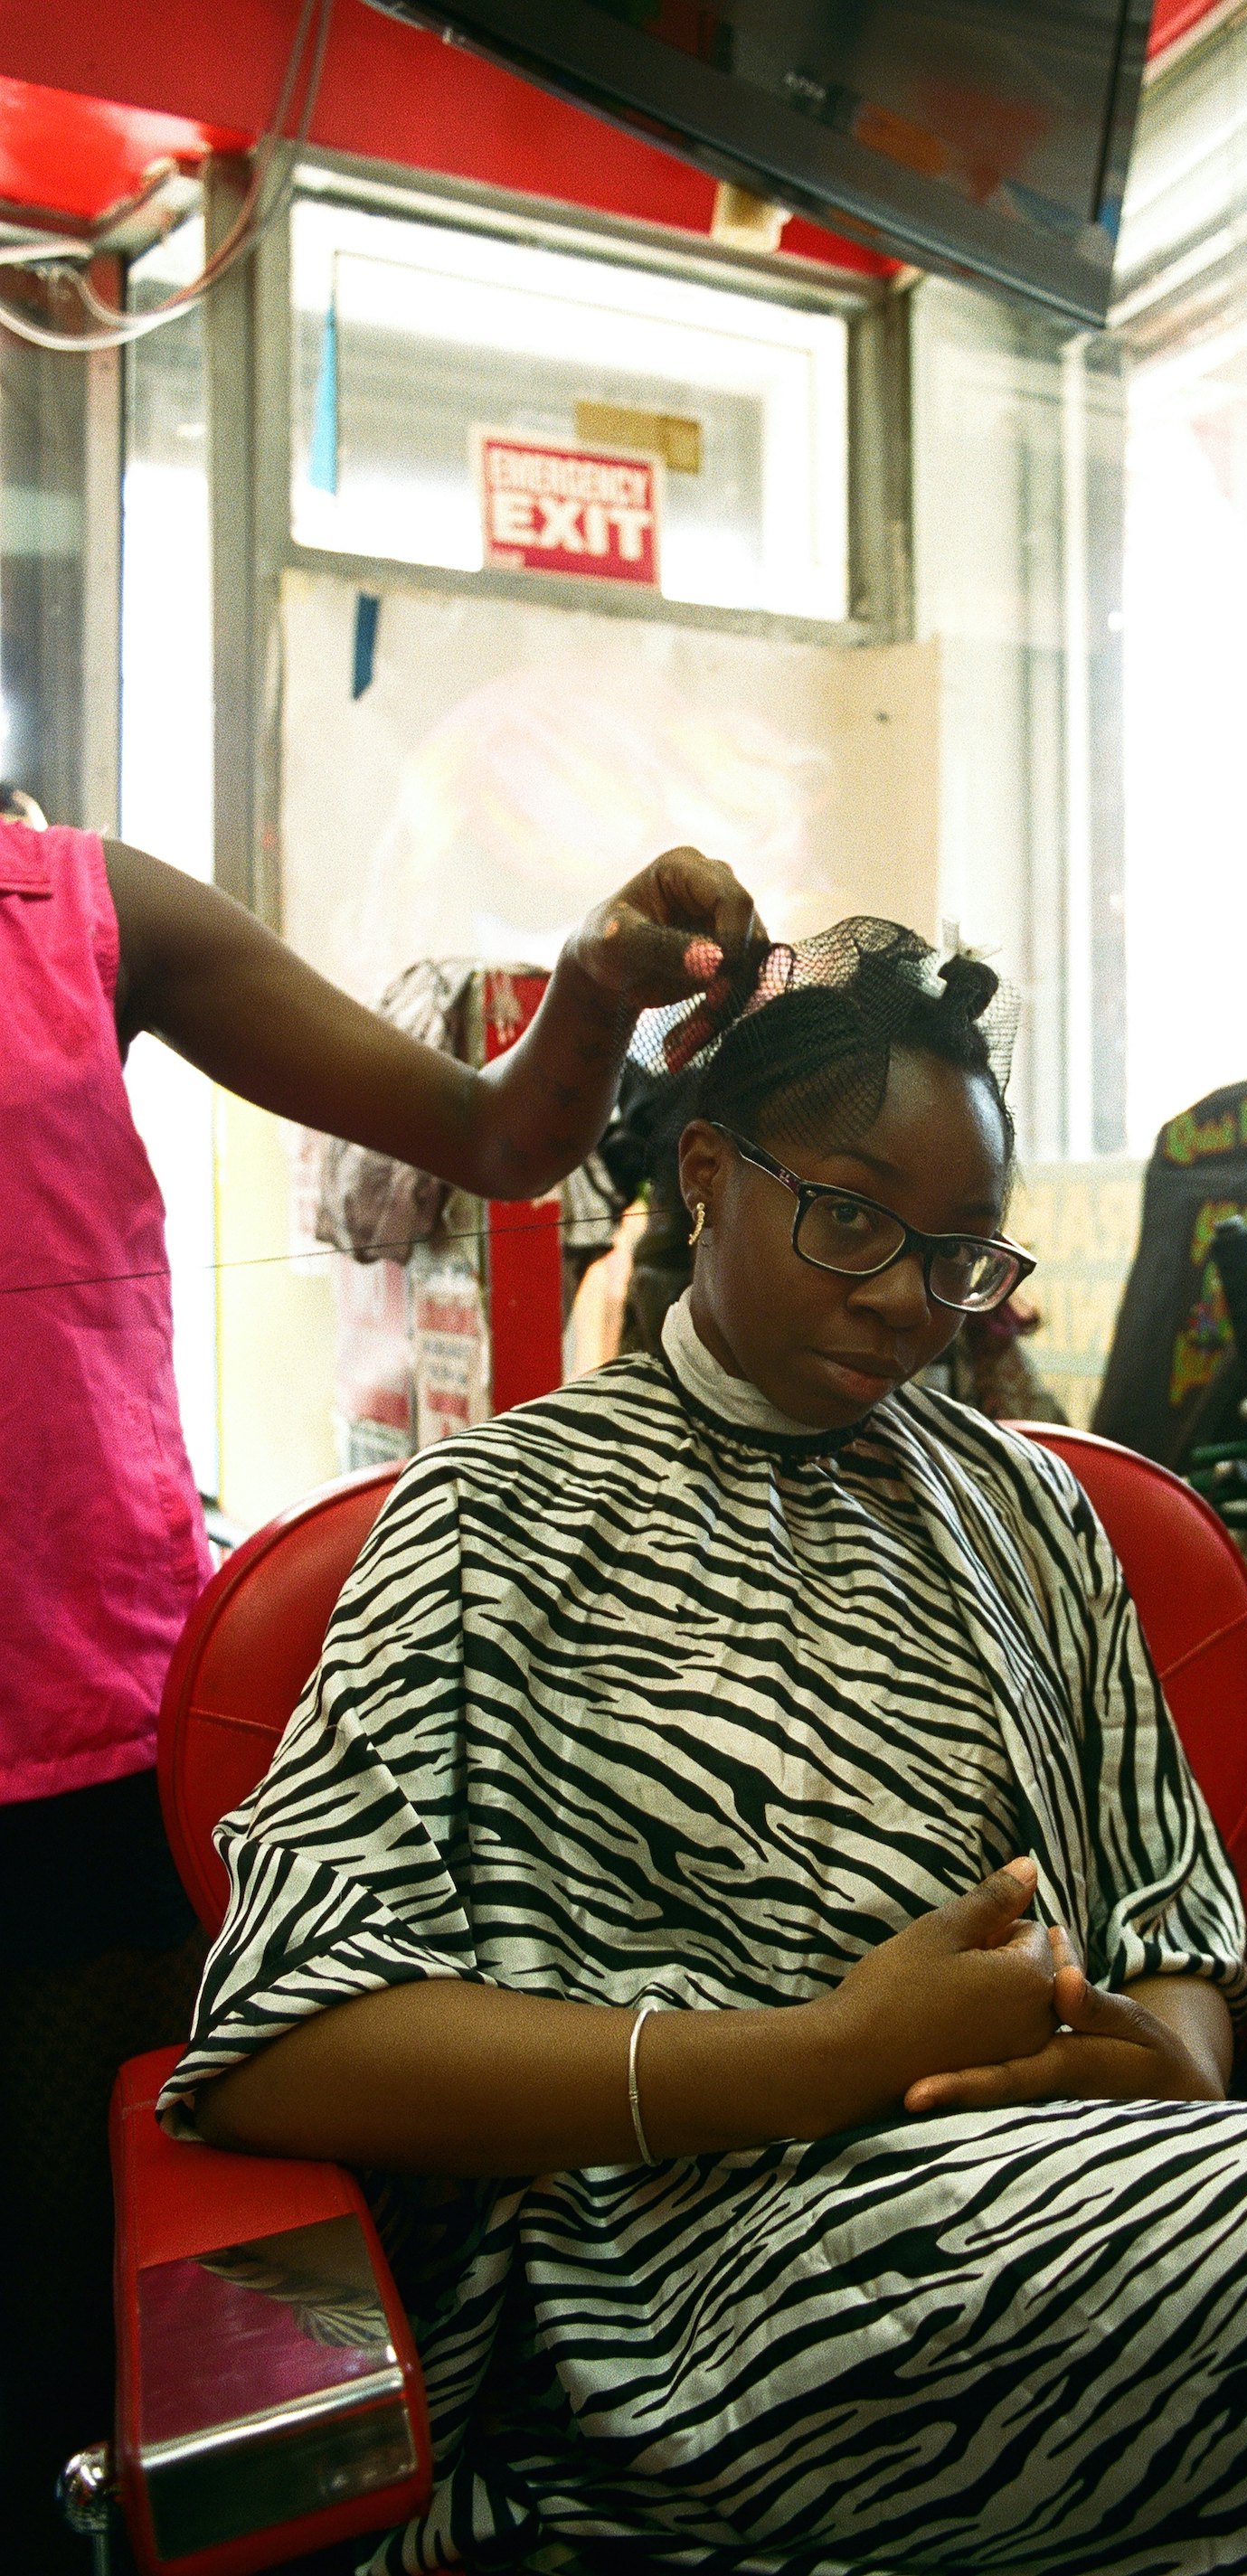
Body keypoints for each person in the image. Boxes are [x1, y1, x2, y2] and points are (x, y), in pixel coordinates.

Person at [168, 921, 1247, 2574]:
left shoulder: (1030, 1508)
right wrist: (823, 2053)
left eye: (959, 1254)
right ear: (707, 1172)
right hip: (689, 2310)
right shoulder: (497, 1519)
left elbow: (1177, 1926)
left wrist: (1169, 2056)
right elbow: (283, 2043)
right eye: (850, 1218)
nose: (909, 1298)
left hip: (1088, 2251)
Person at [0, 809, 761, 2564]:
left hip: (75, 1771)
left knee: (74, 2365)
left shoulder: (78, 914)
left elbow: (496, 1138)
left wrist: (591, 989)